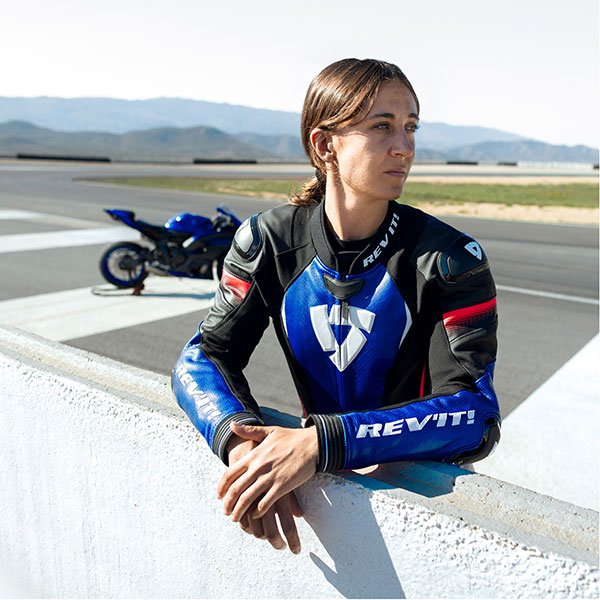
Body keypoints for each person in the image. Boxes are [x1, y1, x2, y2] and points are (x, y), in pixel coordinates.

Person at [172, 58, 501, 555]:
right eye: (382, 126)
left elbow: (475, 413)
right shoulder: (266, 241)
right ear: (325, 145)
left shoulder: (450, 258)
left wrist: (320, 442)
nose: (404, 147)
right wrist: (244, 450)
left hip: (419, 506)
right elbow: (201, 357)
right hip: (317, 497)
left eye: (411, 127)